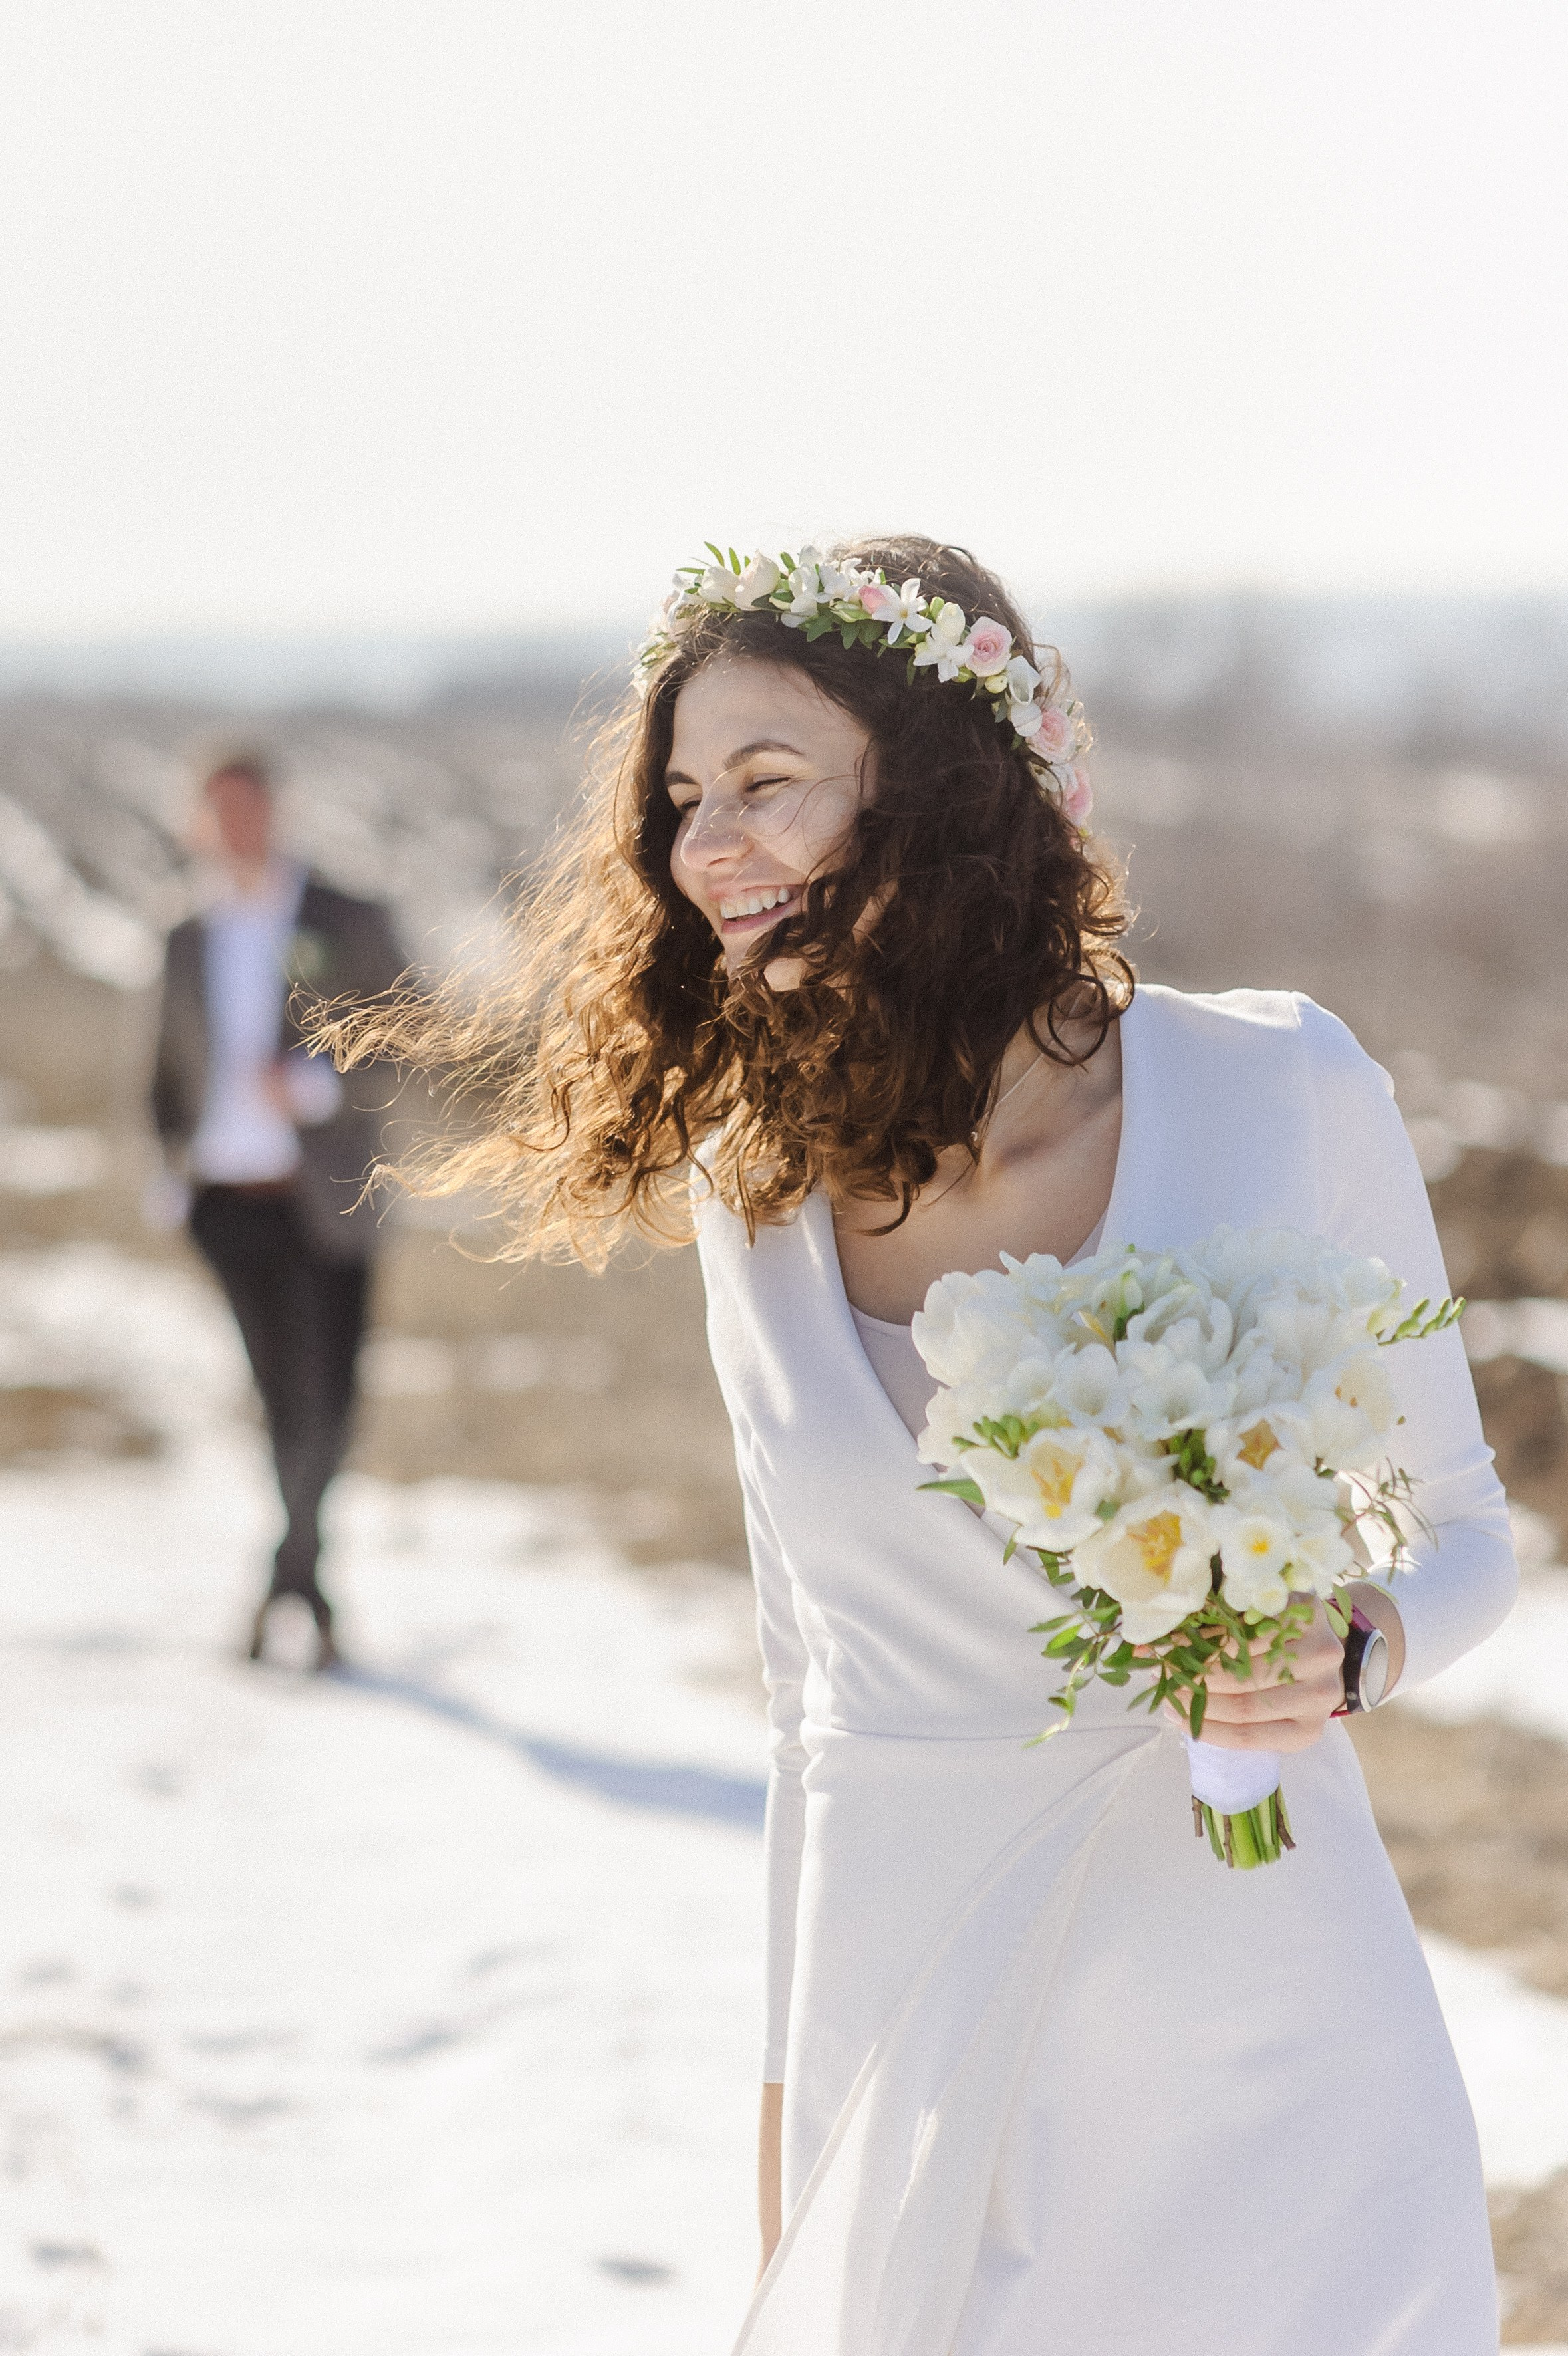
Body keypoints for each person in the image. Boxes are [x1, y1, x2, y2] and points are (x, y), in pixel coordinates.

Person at [324, 537, 1516, 2352]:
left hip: (1257, 2028)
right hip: (912, 2027)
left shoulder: (1280, 1089)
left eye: (766, 784)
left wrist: (1351, 1645)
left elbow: (1458, 1527)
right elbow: (807, 1698)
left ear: (946, 787)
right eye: (680, 798)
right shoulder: (755, 1195)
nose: (703, 844)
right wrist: (791, 2145)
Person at [150, 749, 404, 1670]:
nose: (236, 829)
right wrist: (168, 1170)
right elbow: (161, 1069)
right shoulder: (185, 932)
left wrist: (314, 1086)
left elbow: (411, 1029)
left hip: (329, 1199)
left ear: (278, 811)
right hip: (227, 1201)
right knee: (284, 1400)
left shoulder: (344, 917)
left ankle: (293, 1580)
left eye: (249, 809)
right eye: (218, 813)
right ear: (197, 822)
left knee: (332, 1403)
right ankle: (299, 1587)